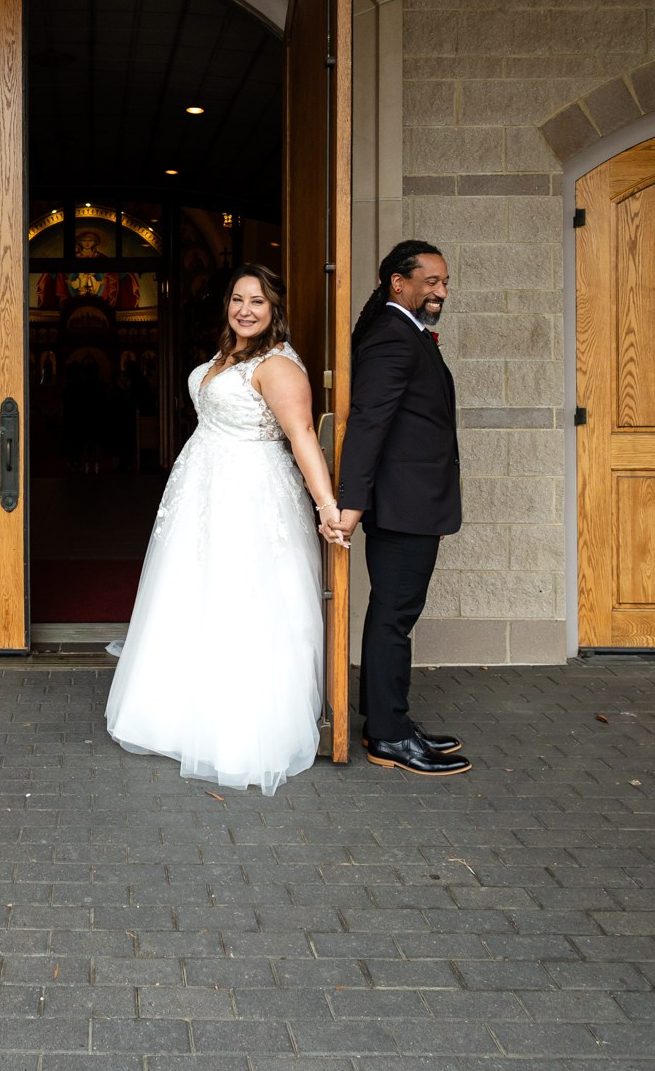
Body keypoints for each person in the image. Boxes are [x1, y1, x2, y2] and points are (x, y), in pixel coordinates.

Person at [105, 265, 348, 795]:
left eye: (256, 302)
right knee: (195, 597)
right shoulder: (230, 356)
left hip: (249, 493)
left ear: (273, 308)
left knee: (243, 598)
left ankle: (241, 732)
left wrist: (327, 504)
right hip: (203, 491)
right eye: (237, 299)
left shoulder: (278, 365)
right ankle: (182, 713)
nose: (245, 309)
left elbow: (303, 433)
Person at [327, 239, 471, 776]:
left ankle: (391, 720)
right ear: (398, 282)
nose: (440, 291)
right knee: (393, 619)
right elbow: (369, 421)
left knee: (393, 615)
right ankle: (387, 737)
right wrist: (351, 504)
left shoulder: (403, 331)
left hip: (413, 503)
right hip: (402, 506)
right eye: (431, 281)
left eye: (445, 282)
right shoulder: (393, 336)